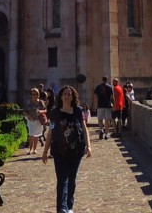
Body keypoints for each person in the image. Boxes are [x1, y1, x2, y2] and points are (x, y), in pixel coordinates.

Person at [42, 85, 91, 213]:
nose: (67, 95)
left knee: (72, 179)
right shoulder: (55, 112)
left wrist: (89, 146)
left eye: (69, 94)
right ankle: (62, 208)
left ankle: (69, 206)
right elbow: (51, 133)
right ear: (61, 96)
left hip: (76, 150)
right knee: (62, 180)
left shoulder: (78, 111)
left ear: (73, 96)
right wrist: (45, 151)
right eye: (65, 93)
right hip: (60, 151)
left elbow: (84, 130)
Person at [23, 88, 47, 155]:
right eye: (33, 94)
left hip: (38, 120)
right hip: (31, 120)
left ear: (38, 95)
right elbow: (24, 112)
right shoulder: (29, 102)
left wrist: (40, 111)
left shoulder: (40, 102)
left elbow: (45, 110)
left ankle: (35, 149)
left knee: (36, 135)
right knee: (31, 135)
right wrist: (30, 117)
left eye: (35, 94)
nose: (34, 95)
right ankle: (30, 149)